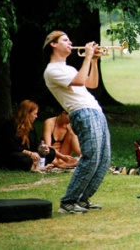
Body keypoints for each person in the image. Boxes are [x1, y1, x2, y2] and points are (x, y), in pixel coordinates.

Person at [43, 31, 111, 214]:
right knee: (90, 157)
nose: (70, 42)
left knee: (103, 160)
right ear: (53, 44)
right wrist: (87, 56)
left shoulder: (69, 68)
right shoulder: (52, 70)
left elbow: (92, 83)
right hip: (83, 113)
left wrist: (94, 61)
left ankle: (82, 199)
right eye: (65, 40)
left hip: (95, 111)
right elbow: (81, 80)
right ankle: (68, 202)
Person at [0, 100, 55, 171]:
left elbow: (35, 143)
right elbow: (11, 146)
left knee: (51, 152)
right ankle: (35, 167)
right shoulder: (10, 125)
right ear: (27, 113)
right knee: (26, 159)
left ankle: (38, 164)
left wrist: (42, 148)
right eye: (35, 114)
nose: (36, 116)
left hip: (28, 153)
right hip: (11, 153)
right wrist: (29, 153)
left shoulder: (31, 127)